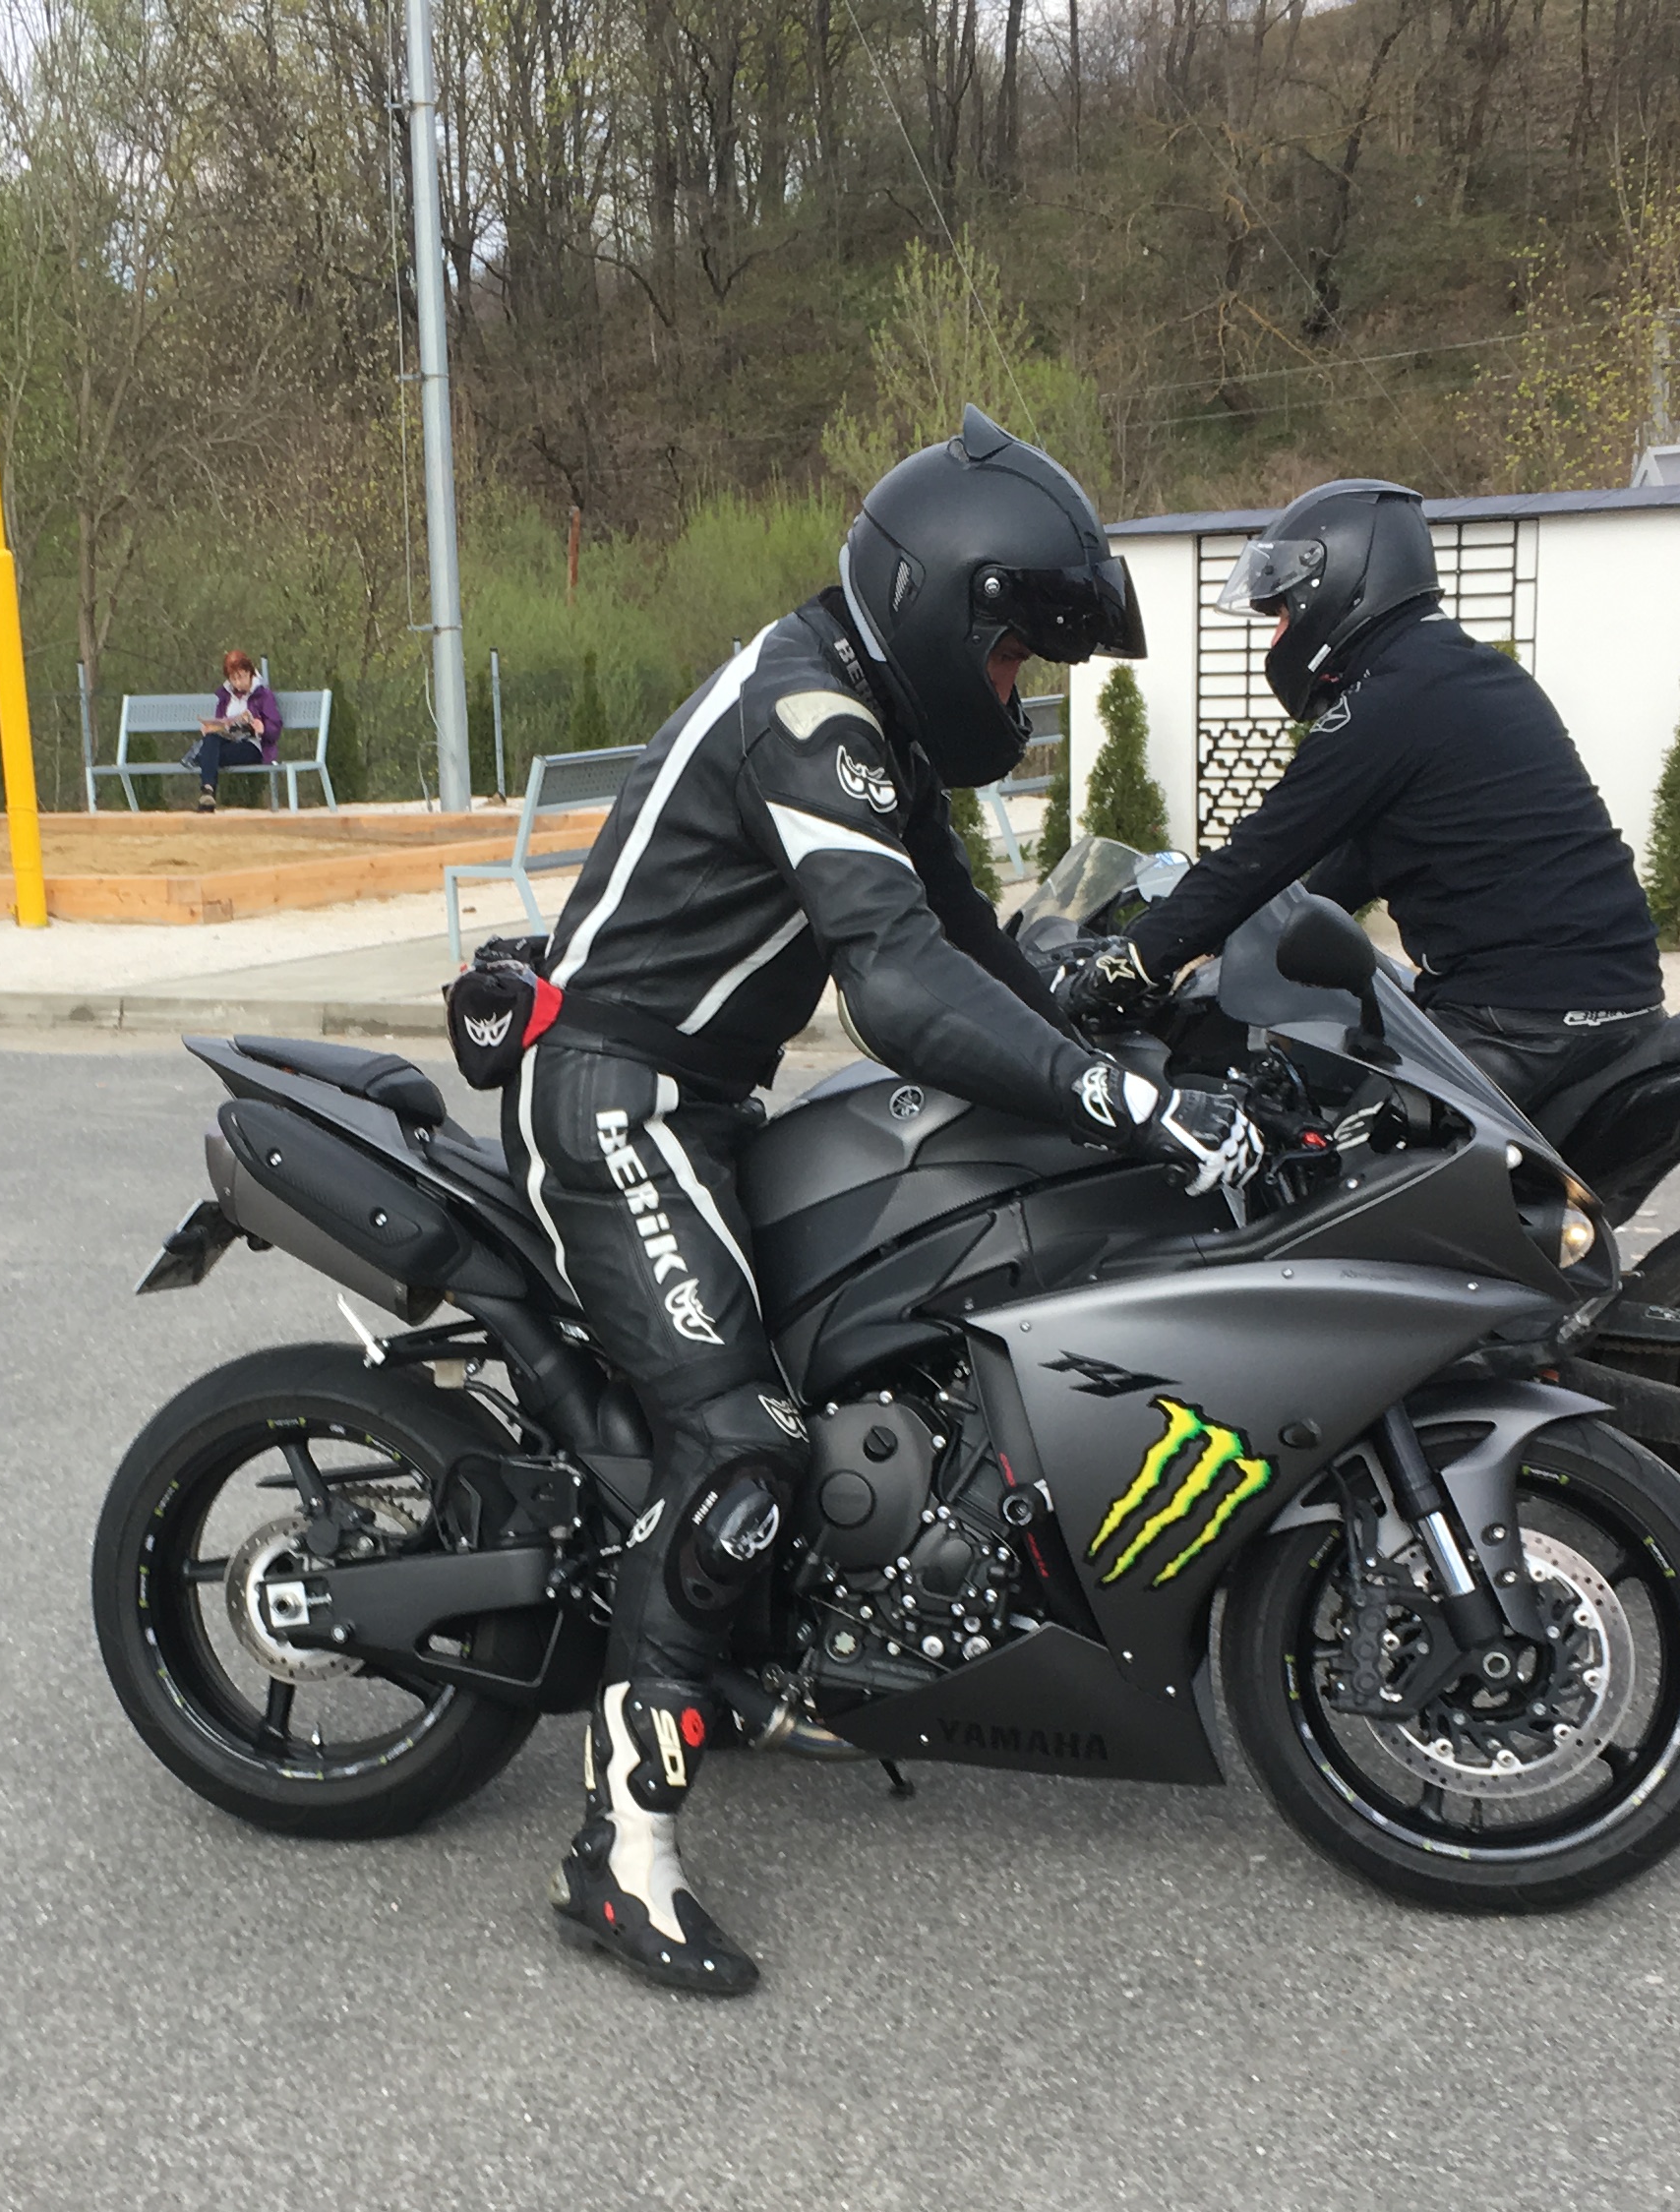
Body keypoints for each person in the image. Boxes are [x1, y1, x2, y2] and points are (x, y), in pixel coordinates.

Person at [470, 409, 1257, 2001]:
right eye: (1015, 656)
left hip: (701, 1101)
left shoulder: (868, 726)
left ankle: (774, 1645)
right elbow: (895, 986)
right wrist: (1113, 1099)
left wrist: (1141, 1036)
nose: (1016, 690)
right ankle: (620, 1856)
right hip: (615, 1097)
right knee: (741, 1444)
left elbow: (968, 944)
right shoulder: (808, 711)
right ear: (946, 606)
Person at [1064, 479, 1665, 1108]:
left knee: (1314, 1152)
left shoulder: (1388, 703)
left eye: (1284, 614)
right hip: (1609, 1001)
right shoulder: (1463, 673)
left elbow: (1257, 857)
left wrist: (1129, 964)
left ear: (1341, 585)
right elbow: (1354, 863)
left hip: (1523, 1024)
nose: (1278, 637)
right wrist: (1235, 938)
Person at [181, 652, 280, 815]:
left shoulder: (263, 694)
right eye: (233, 679)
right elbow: (221, 721)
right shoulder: (225, 695)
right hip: (228, 742)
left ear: (250, 673)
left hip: (252, 745)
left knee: (207, 754)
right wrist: (212, 727)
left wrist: (262, 728)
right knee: (211, 739)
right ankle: (207, 792)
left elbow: (275, 728)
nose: (238, 683)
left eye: (241, 677)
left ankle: (206, 789)